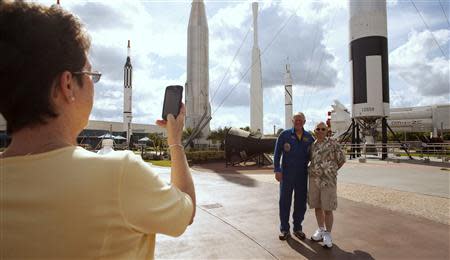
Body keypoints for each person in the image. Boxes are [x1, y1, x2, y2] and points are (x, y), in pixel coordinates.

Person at [0, 2, 195, 259]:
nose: (93, 86)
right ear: (68, 84)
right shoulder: (120, 175)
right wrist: (175, 142)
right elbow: (186, 210)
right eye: (91, 75)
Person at [273, 112, 314, 240]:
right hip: (287, 174)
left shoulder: (309, 138)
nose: (298, 122)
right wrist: (277, 169)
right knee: (285, 201)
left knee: (301, 203)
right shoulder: (284, 135)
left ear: (304, 122)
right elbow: (277, 153)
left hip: (302, 174)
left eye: (300, 120)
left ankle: (297, 228)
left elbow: (315, 155)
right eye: (296, 120)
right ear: (292, 121)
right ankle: (285, 229)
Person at [308, 122, 346, 248]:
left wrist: (331, 171)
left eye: (322, 129)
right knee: (317, 206)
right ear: (314, 131)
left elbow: (341, 160)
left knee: (328, 208)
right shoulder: (312, 146)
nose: (320, 131)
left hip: (328, 181)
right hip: (314, 181)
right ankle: (321, 229)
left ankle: (328, 234)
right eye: (317, 129)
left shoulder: (333, 143)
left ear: (327, 130)